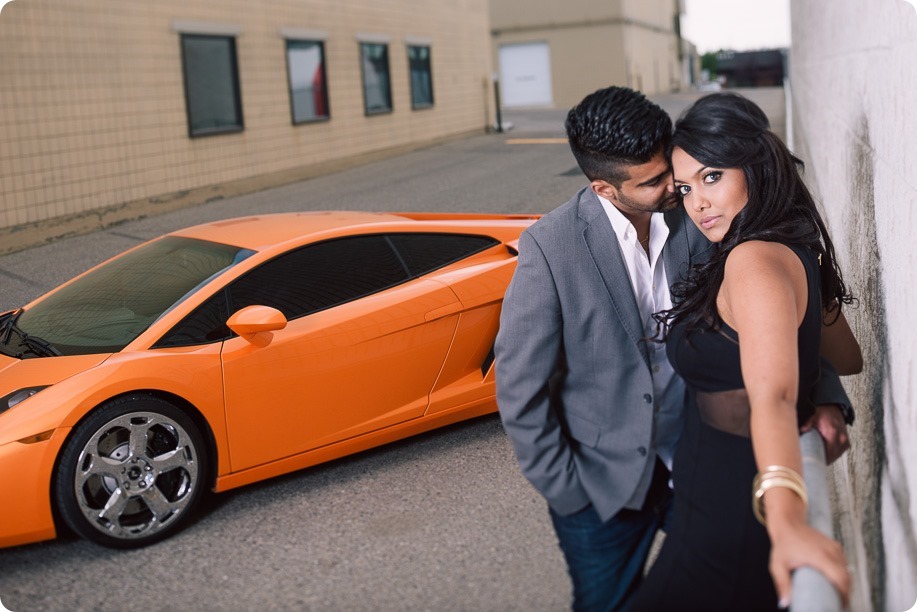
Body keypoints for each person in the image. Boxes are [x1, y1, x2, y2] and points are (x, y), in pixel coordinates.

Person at [495, 86, 856, 612]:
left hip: (699, 462)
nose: (677, 188)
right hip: (605, 488)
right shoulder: (551, 249)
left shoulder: (704, 216)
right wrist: (569, 490)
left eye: (682, 174)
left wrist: (820, 394)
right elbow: (519, 387)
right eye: (657, 181)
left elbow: (772, 318)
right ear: (605, 187)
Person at [626, 92, 862, 611]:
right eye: (685, 188)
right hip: (709, 490)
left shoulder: (752, 260)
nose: (697, 203)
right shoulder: (792, 242)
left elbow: (774, 398)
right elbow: (847, 358)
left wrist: (787, 524)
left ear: (756, 165)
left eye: (712, 177)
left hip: (731, 501)